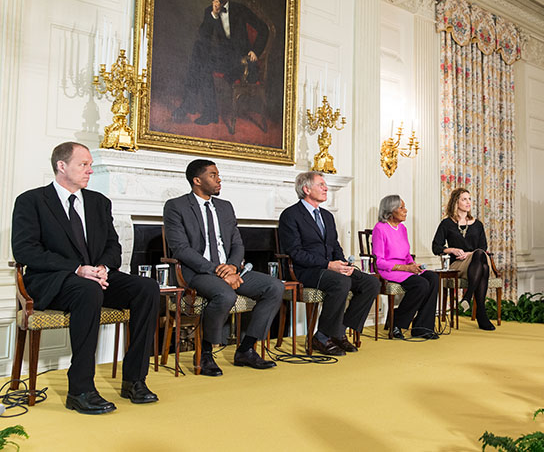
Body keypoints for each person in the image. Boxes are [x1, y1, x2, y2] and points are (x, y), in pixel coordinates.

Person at [11, 142, 159, 414]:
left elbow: (113, 246)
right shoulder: (31, 201)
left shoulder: (99, 202)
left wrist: (103, 266)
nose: (90, 170)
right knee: (87, 290)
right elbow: (25, 250)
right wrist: (77, 268)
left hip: (95, 277)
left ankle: (135, 380)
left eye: (90, 164)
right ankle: (80, 390)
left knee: (147, 288)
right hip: (53, 282)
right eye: (84, 164)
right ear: (62, 166)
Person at [163, 159, 284, 376]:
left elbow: (237, 243)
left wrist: (232, 268)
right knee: (225, 294)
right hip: (198, 272)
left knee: (274, 287)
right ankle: (205, 353)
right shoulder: (176, 206)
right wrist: (217, 270)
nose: (219, 179)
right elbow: (180, 249)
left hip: (229, 270)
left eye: (218, 174)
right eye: (212, 175)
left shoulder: (225, 207)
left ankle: (246, 349)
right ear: (197, 180)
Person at [278, 172, 380, 356]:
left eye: (325, 185)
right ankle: (322, 337)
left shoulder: (327, 216)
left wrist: (343, 264)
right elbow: (295, 253)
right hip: (305, 271)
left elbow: (334, 245)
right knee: (340, 282)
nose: (326, 188)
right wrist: (328, 265)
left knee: (371, 283)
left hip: (330, 268)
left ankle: (339, 332)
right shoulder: (290, 215)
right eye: (321, 185)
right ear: (306, 189)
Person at [175, 0, 269, 125]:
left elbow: (264, 29)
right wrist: (214, 14)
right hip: (225, 59)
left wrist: (255, 51)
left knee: (201, 59)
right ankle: (206, 111)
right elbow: (203, 36)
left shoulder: (240, 9)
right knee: (200, 52)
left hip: (242, 62)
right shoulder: (210, 11)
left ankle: (191, 105)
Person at [371, 195, 440, 340]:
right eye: (401, 207)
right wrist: (405, 268)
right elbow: (380, 262)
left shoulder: (402, 228)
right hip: (389, 270)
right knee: (420, 284)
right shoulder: (380, 228)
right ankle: (397, 322)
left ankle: (422, 327)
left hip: (405, 269)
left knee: (433, 278)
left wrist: (413, 265)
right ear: (390, 210)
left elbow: (407, 254)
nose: (405, 210)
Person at [432, 188, 496, 331]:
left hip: (476, 260)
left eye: (469, 199)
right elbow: (436, 247)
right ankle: (481, 313)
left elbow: (483, 247)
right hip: (458, 264)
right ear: (456, 202)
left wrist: (469, 254)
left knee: (479, 255)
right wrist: (452, 249)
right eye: (464, 199)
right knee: (483, 267)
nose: (468, 202)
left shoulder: (477, 224)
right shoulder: (447, 224)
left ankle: (468, 296)